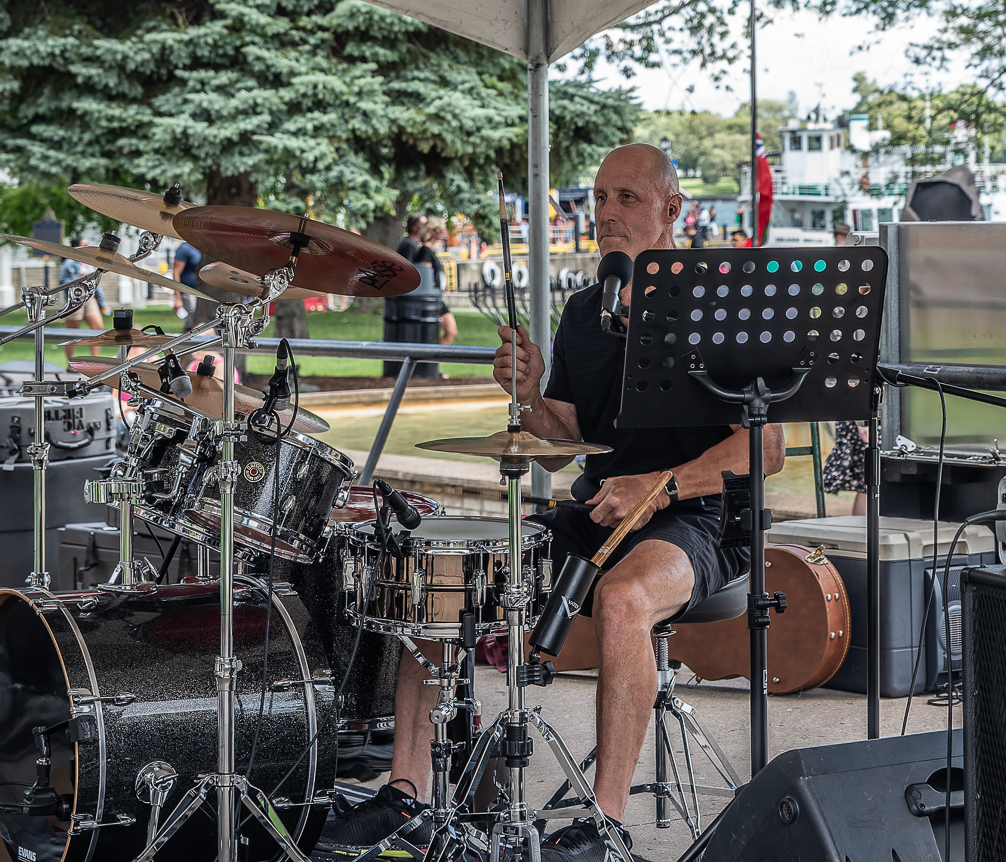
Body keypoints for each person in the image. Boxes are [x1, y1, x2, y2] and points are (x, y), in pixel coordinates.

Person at [316, 144, 785, 860]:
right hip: (599, 511)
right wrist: (529, 395)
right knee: (445, 567)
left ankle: (604, 826)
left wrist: (657, 486)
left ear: (671, 209)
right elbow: (563, 445)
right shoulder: (585, 312)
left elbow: (766, 447)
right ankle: (406, 795)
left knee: (623, 598)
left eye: (626, 197)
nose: (606, 212)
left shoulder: (716, 303)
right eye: (599, 198)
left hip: (701, 519)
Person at [61, 237, 105, 360]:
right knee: (72, 333)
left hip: (90, 298)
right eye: (84, 245)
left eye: (87, 244)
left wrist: (102, 301)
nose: (87, 247)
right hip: (75, 299)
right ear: (76, 247)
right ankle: (70, 364)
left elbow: (96, 283)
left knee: (97, 328)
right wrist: (78, 279)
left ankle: (95, 361)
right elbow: (62, 281)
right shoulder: (69, 262)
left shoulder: (89, 261)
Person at [417, 217, 458, 347]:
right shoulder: (425, 251)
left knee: (450, 331)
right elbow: (424, 276)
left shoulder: (430, 249)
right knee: (450, 331)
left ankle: (433, 358)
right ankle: (433, 358)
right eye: (440, 229)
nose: (443, 232)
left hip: (435, 297)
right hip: (431, 298)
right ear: (432, 231)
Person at [823, 422, 868, 514]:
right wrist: (863, 424)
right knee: (866, 485)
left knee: (867, 485)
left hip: (864, 422)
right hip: (863, 423)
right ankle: (863, 522)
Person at [171, 238, 202, 322]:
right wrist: (177, 298)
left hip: (200, 292)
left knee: (193, 323)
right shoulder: (184, 248)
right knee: (192, 322)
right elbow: (176, 273)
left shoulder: (202, 248)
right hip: (188, 292)